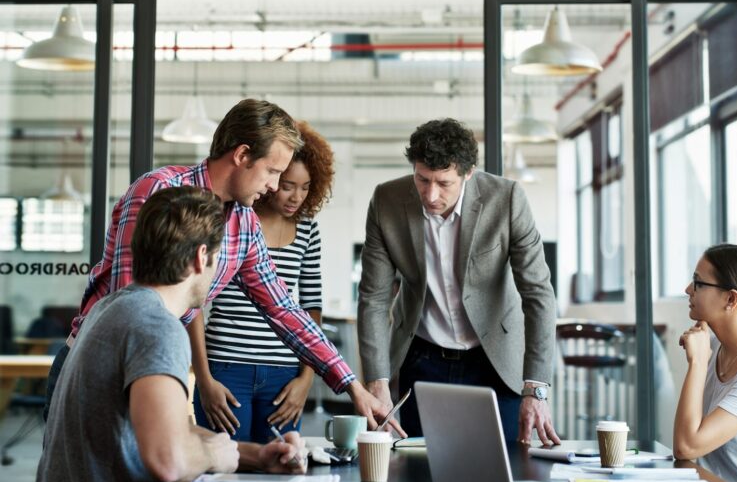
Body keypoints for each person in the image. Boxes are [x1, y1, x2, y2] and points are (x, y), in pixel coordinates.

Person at [45, 99, 394, 431]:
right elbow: (130, 304)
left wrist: (352, 386)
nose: (274, 186)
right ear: (242, 155)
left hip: (154, 371)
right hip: (98, 368)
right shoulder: (159, 191)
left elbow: (283, 308)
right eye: (272, 171)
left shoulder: (244, 223)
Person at [28, 187, 305, 482]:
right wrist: (214, 458)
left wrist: (255, 455)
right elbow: (168, 460)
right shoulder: (157, 327)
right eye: (218, 257)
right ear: (200, 257)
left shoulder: (112, 308)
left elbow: (162, 427)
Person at [357, 117, 560, 445]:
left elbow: (538, 293)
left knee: (503, 472)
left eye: (444, 182)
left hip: (495, 360)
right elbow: (374, 298)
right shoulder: (387, 201)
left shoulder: (506, 200)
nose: (431, 194)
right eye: (422, 179)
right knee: (419, 473)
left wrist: (536, 387)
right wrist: (376, 381)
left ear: (467, 174)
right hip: (423, 359)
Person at [193, 121, 334, 440]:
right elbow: (195, 302)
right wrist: (203, 378)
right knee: (222, 472)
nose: (296, 196)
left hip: (284, 376)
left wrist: (306, 380)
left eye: (306, 186)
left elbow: (310, 306)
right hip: (226, 368)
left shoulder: (308, 230)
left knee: (283, 472)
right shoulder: (234, 219)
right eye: (287, 184)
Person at [674, 243, 737, 482]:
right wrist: (702, 357)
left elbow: (686, 446)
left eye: (698, 283)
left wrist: (697, 363)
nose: (687, 290)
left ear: (730, 299)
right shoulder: (713, 345)